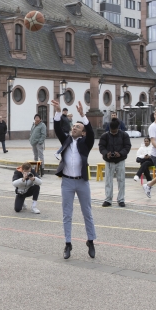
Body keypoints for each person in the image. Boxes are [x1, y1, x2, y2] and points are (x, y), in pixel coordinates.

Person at [51, 99, 96, 260]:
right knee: (67, 214)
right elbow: (57, 128)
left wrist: (83, 116)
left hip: (82, 181)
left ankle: (90, 241)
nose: (74, 128)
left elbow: (91, 133)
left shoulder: (86, 143)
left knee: (87, 212)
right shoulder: (66, 140)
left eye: (78, 127)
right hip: (68, 182)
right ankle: (68, 243)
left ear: (82, 132)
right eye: (74, 126)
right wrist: (58, 112)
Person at [99, 118, 131, 207]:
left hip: (120, 160)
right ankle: (108, 199)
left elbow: (127, 146)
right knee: (108, 181)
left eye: (115, 131)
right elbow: (101, 147)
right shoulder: (105, 136)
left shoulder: (124, 135)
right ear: (109, 128)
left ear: (118, 128)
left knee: (121, 180)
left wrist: (120, 153)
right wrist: (106, 153)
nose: (113, 132)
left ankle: (121, 199)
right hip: (109, 161)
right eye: (112, 131)